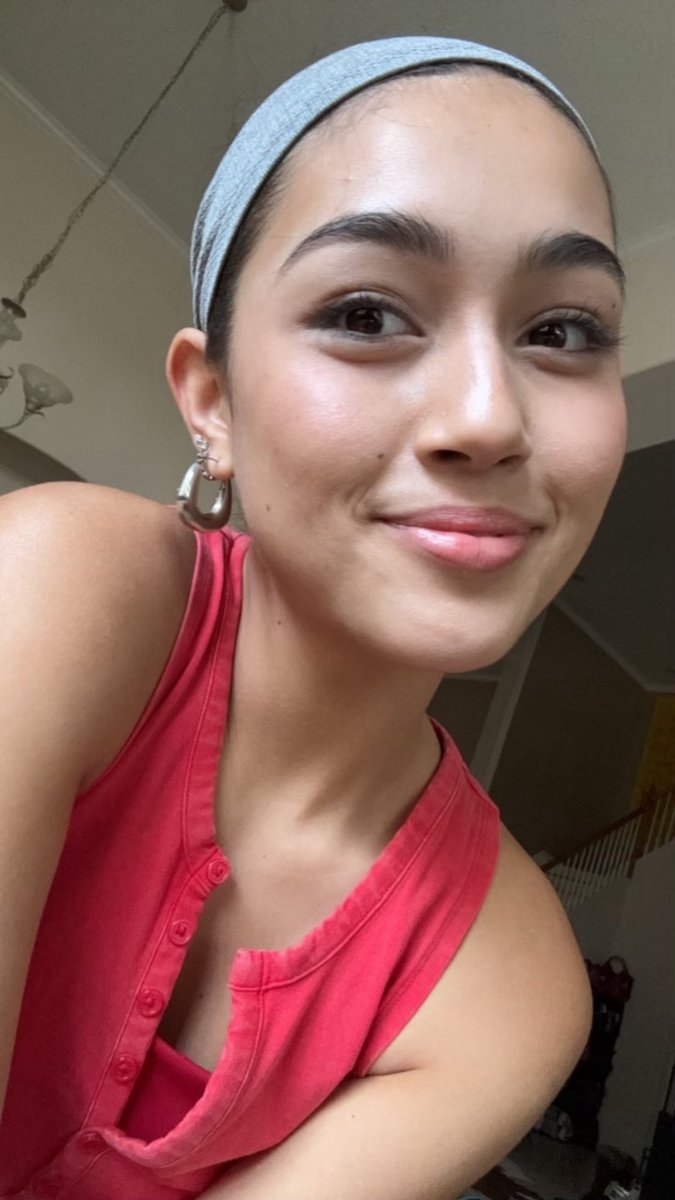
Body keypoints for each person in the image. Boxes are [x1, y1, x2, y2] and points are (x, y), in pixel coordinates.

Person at [0, 33, 627, 1200]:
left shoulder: (514, 982)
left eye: (562, 332)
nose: (489, 420)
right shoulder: (56, 587)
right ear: (213, 402)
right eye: (368, 312)